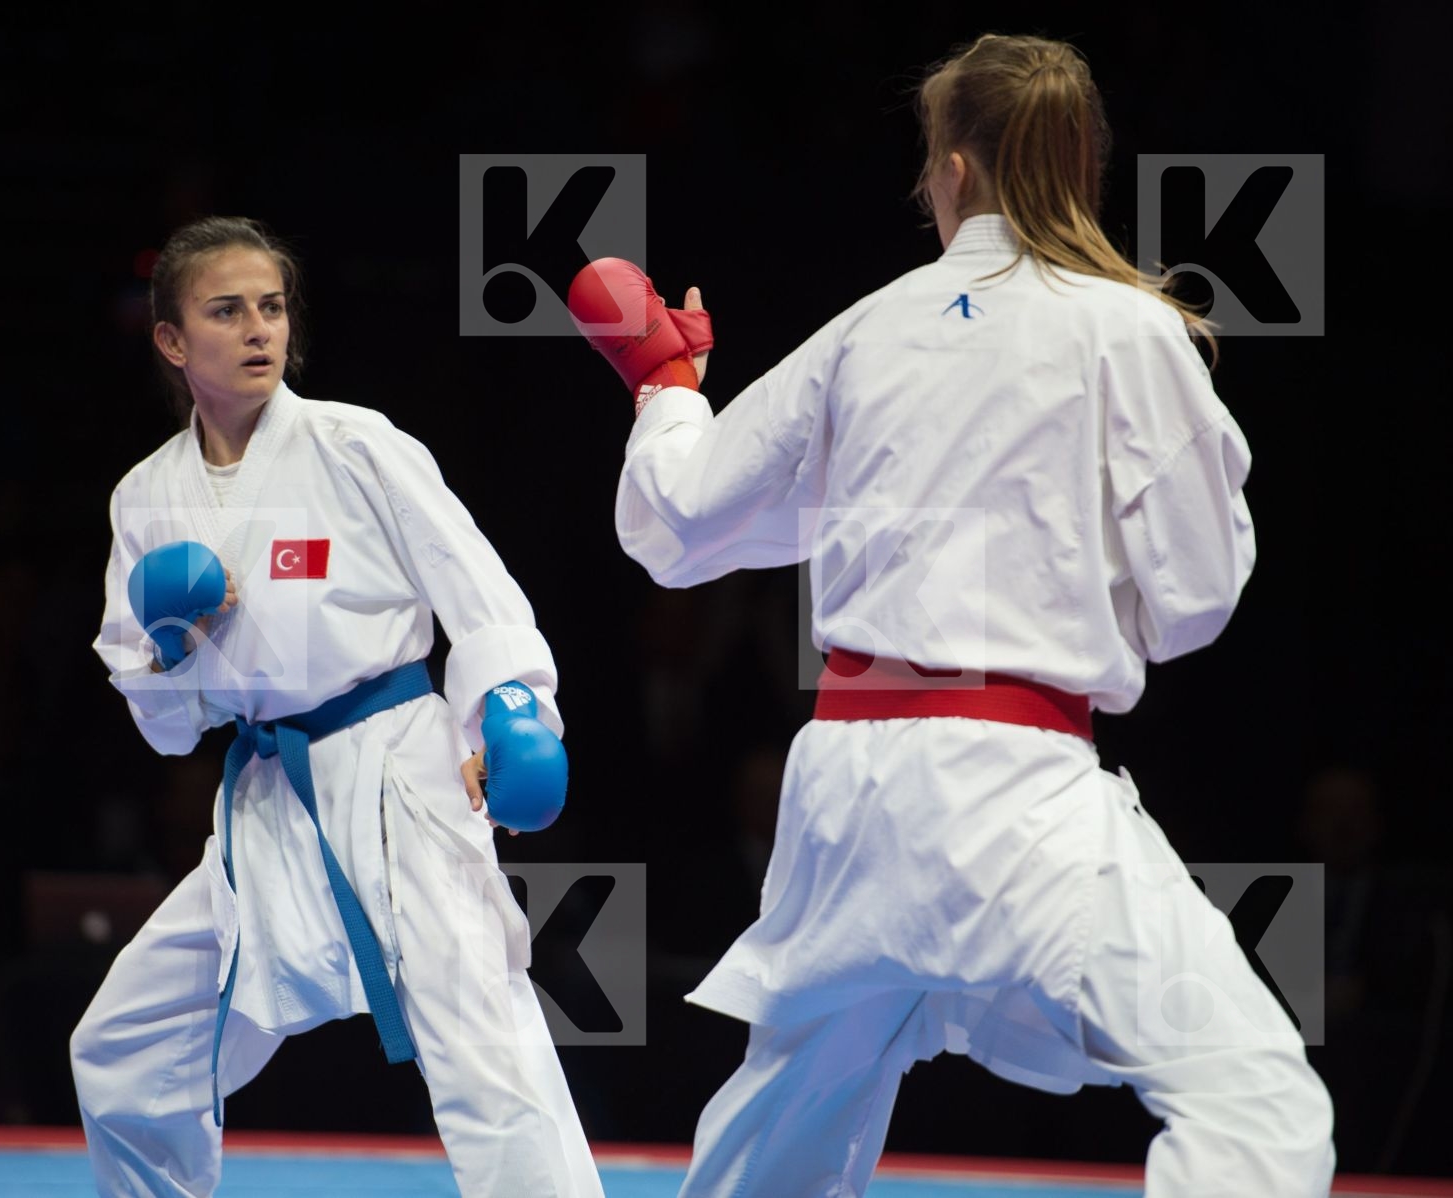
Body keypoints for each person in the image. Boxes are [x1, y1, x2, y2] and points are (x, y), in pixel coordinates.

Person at [571, 33, 1335, 1198]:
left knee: (777, 1155)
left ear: (957, 170)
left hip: (844, 797)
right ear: (1081, 168)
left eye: (929, 164)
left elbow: (676, 528)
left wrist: (666, 387)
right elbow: (1196, 601)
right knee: (1252, 1094)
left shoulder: (868, 328)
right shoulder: (1130, 329)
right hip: (1014, 791)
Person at [72, 215, 603, 1197]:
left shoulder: (355, 445)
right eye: (226, 311)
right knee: (124, 1050)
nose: (259, 328)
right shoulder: (147, 499)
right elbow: (165, 725)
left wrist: (511, 709)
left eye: (271, 307)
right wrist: (171, 644)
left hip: (399, 773)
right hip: (268, 798)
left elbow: (476, 590)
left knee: (488, 1051)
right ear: (173, 341)